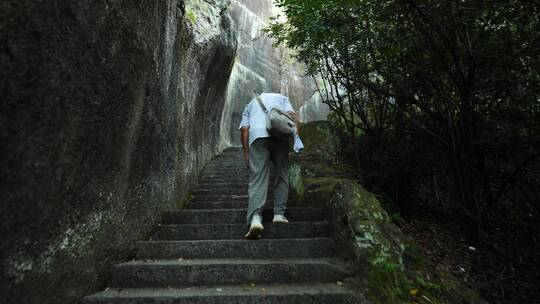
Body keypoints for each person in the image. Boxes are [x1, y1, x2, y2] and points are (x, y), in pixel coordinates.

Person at [238, 92, 299, 239]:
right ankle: (278, 214)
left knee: (257, 178)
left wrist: (246, 153)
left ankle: (255, 219)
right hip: (280, 135)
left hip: (258, 138)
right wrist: (295, 141)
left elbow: (245, 130)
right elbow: (292, 119)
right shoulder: (282, 98)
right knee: (282, 174)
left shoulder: (251, 103)